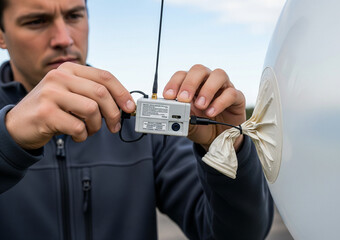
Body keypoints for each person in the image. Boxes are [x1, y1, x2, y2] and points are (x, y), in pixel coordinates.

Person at [0, 0, 273, 239]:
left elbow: (239, 234)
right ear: (2, 34)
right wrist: (7, 139)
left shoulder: (140, 126)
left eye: (74, 16)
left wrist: (225, 148)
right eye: (37, 21)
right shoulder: (6, 131)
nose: (64, 38)